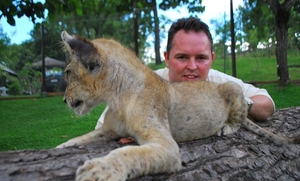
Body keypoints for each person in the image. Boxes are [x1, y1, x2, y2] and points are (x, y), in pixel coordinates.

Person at [95, 16, 275, 130]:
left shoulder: (218, 82)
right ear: (167, 58)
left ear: (211, 59)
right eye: (182, 57)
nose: (192, 66)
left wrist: (239, 102)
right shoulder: (141, 86)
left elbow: (267, 104)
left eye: (201, 58)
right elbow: (101, 130)